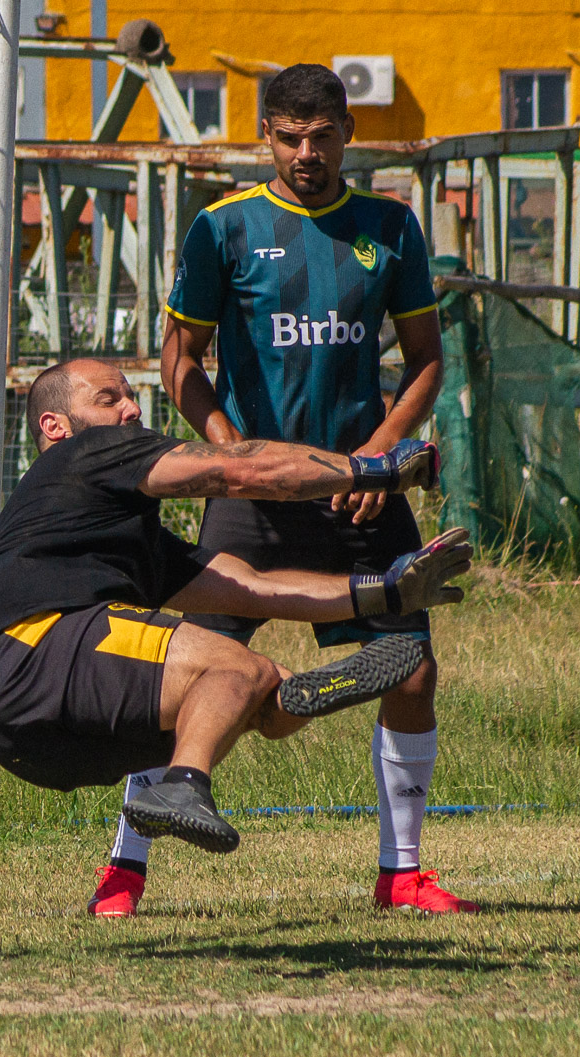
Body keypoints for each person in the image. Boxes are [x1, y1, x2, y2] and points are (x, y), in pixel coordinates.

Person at [88, 63, 471, 916]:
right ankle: (123, 872)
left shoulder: (390, 226)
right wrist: (232, 457)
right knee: (176, 672)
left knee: (411, 671)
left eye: (322, 137)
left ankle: (401, 875)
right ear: (267, 135)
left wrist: (376, 458)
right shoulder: (223, 226)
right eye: (290, 138)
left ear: (347, 134)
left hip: (358, 491)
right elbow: (180, 364)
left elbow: (425, 361)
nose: (306, 153)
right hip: (249, 500)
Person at [0, 358, 472, 855]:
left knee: (260, 689)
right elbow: (239, 470)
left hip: (25, 739)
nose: (131, 409)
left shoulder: (122, 540)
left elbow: (252, 587)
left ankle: (288, 698)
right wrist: (375, 470)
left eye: (130, 396)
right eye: (109, 399)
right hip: (27, 650)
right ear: (55, 426)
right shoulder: (86, 451)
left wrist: (384, 592)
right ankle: (184, 783)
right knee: (237, 668)